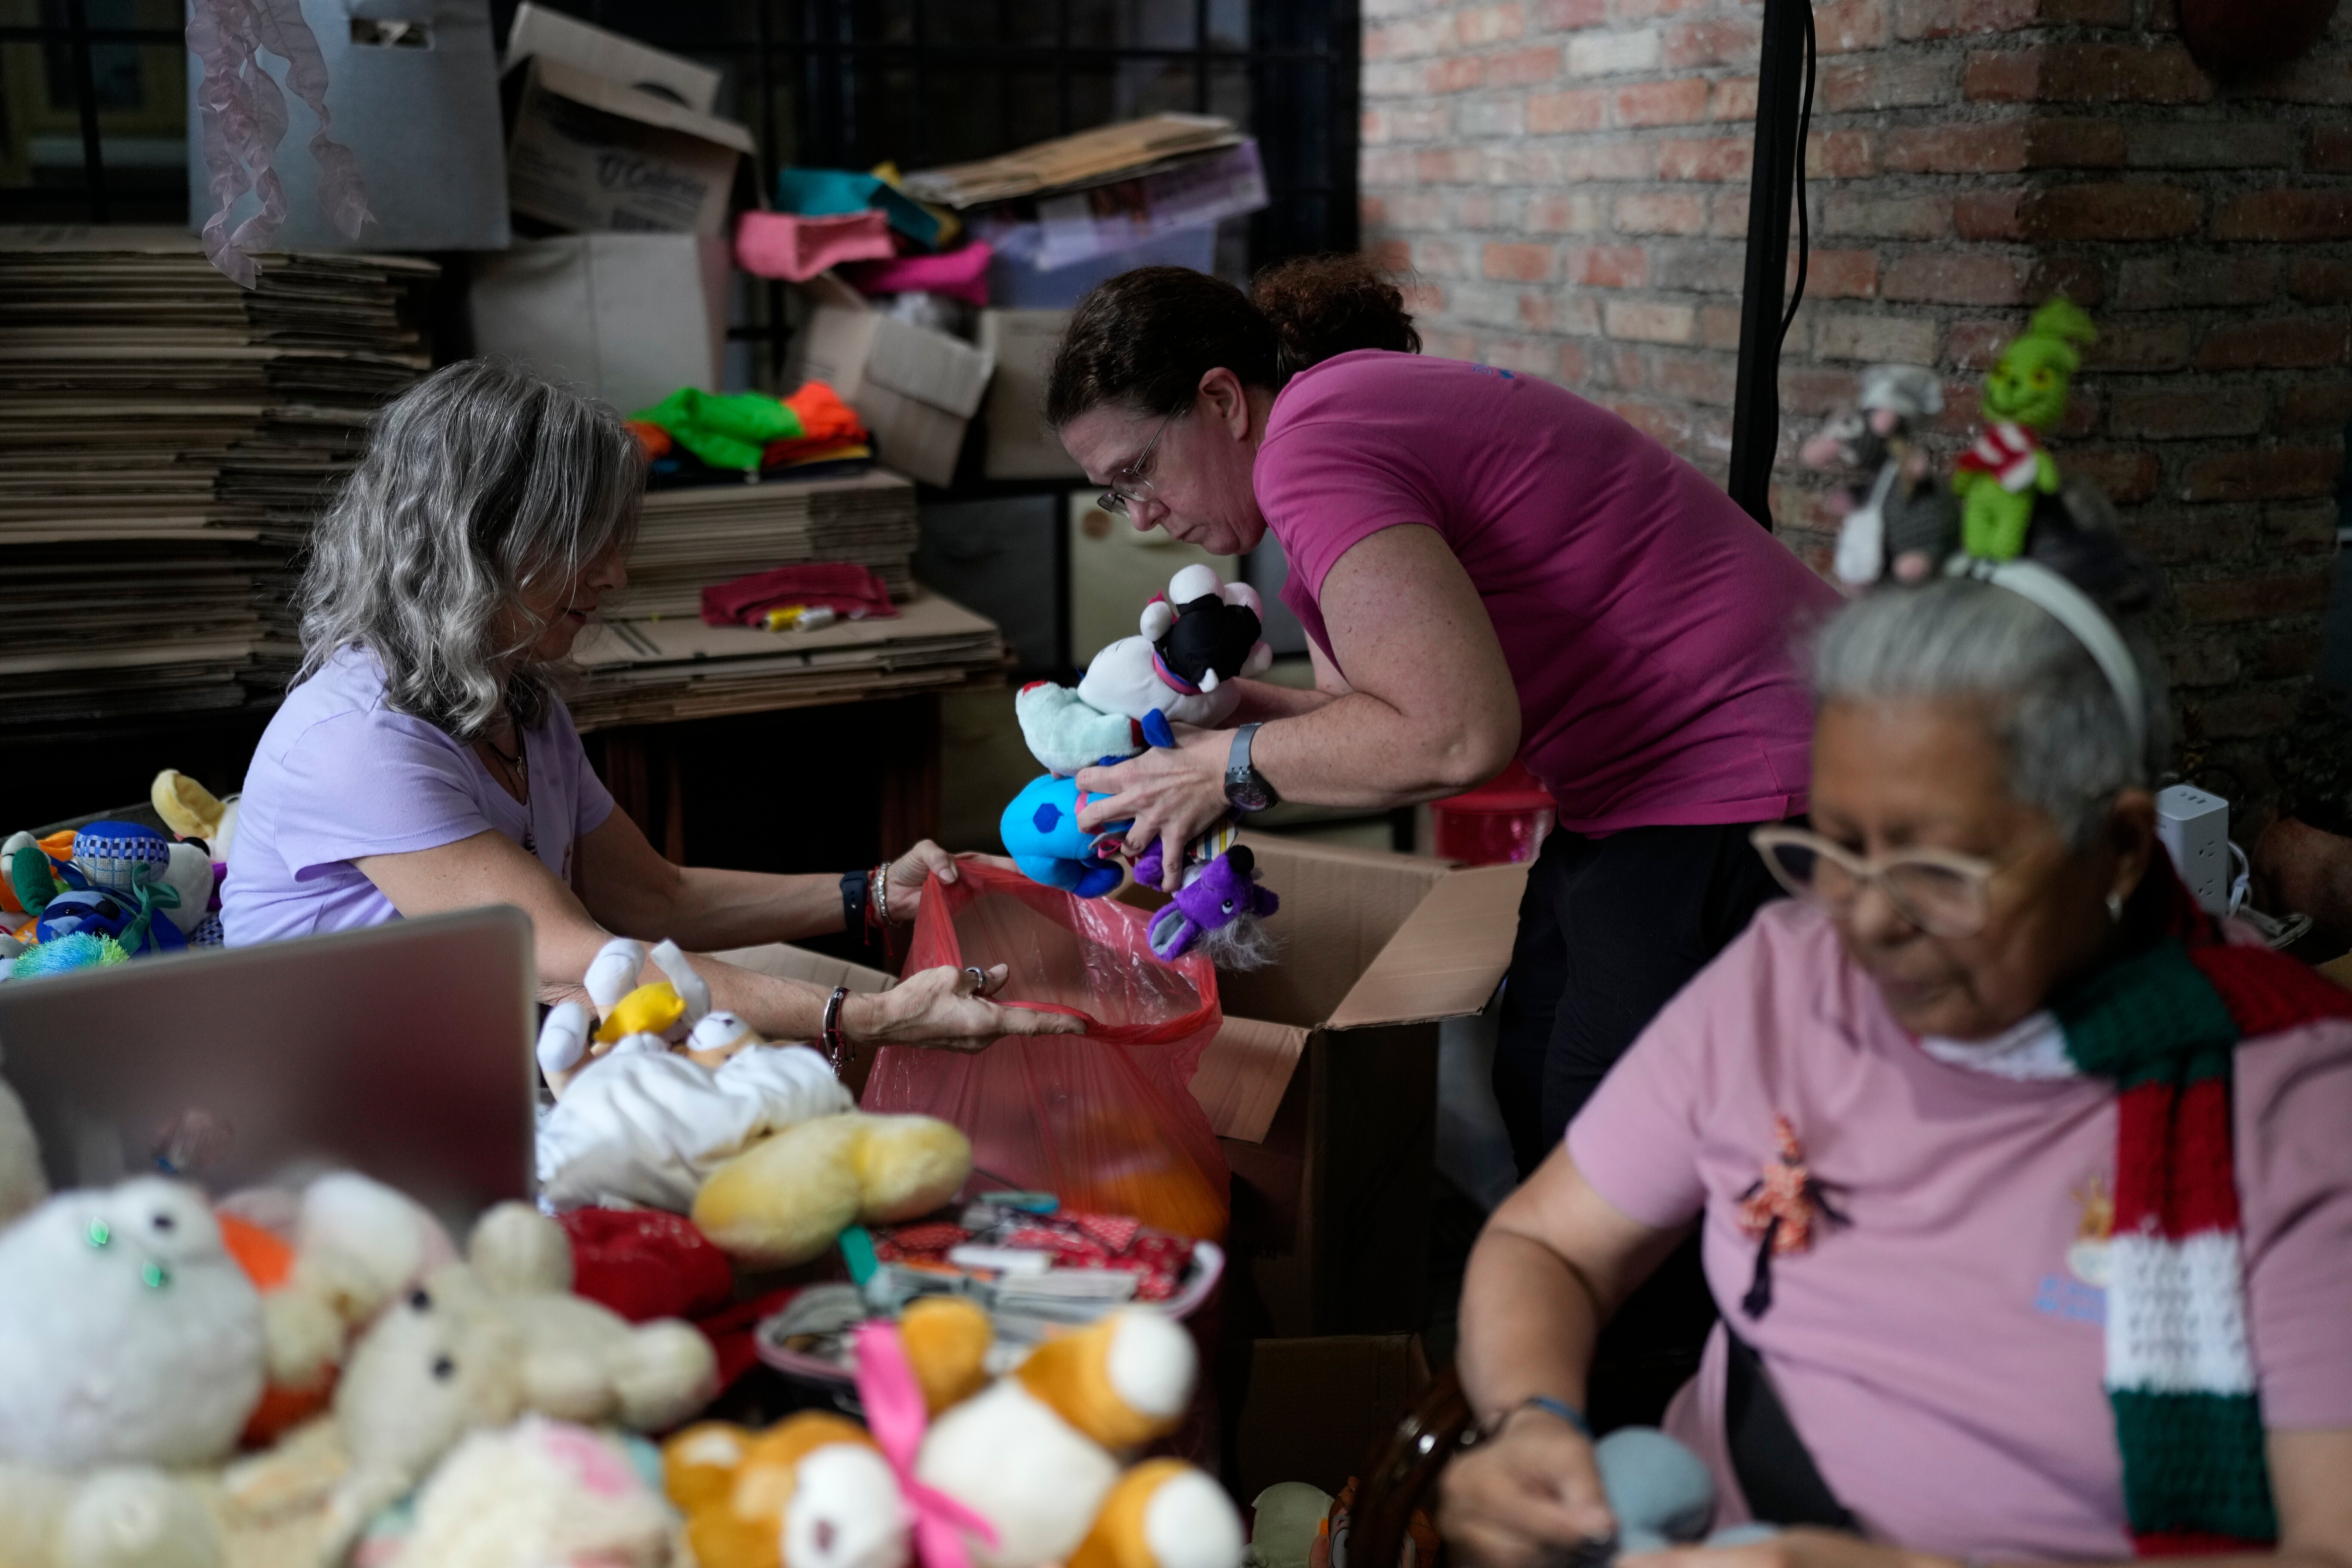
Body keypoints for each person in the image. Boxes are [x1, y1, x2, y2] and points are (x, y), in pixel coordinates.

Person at [1439, 555, 2352, 1568]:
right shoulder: (1786, 981)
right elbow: (1550, 1245)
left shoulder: (2289, 1110)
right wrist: (1531, 1419)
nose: (1869, 921)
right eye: (1838, 850)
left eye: (1937, 870)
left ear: (2123, 849)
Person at [1047, 258, 1840, 1174]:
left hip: (1750, 775)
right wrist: (1212, 719)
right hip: (1650, 785)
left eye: (1138, 471)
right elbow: (1376, 714)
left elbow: (1453, 736)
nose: (1142, 515)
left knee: (1612, 1156)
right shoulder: (1332, 430)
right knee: (1539, 1074)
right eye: (1115, 494)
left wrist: (1220, 767)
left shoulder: (1313, 447)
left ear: (1223, 400)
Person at [224, 360, 1081, 1063]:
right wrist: (869, 1017)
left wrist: (872, 894)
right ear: (472, 541)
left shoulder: (515, 700)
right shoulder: (359, 741)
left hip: (487, 1064)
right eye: (581, 545)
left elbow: (653, 898)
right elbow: (584, 965)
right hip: (350, 1103)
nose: (613, 577)